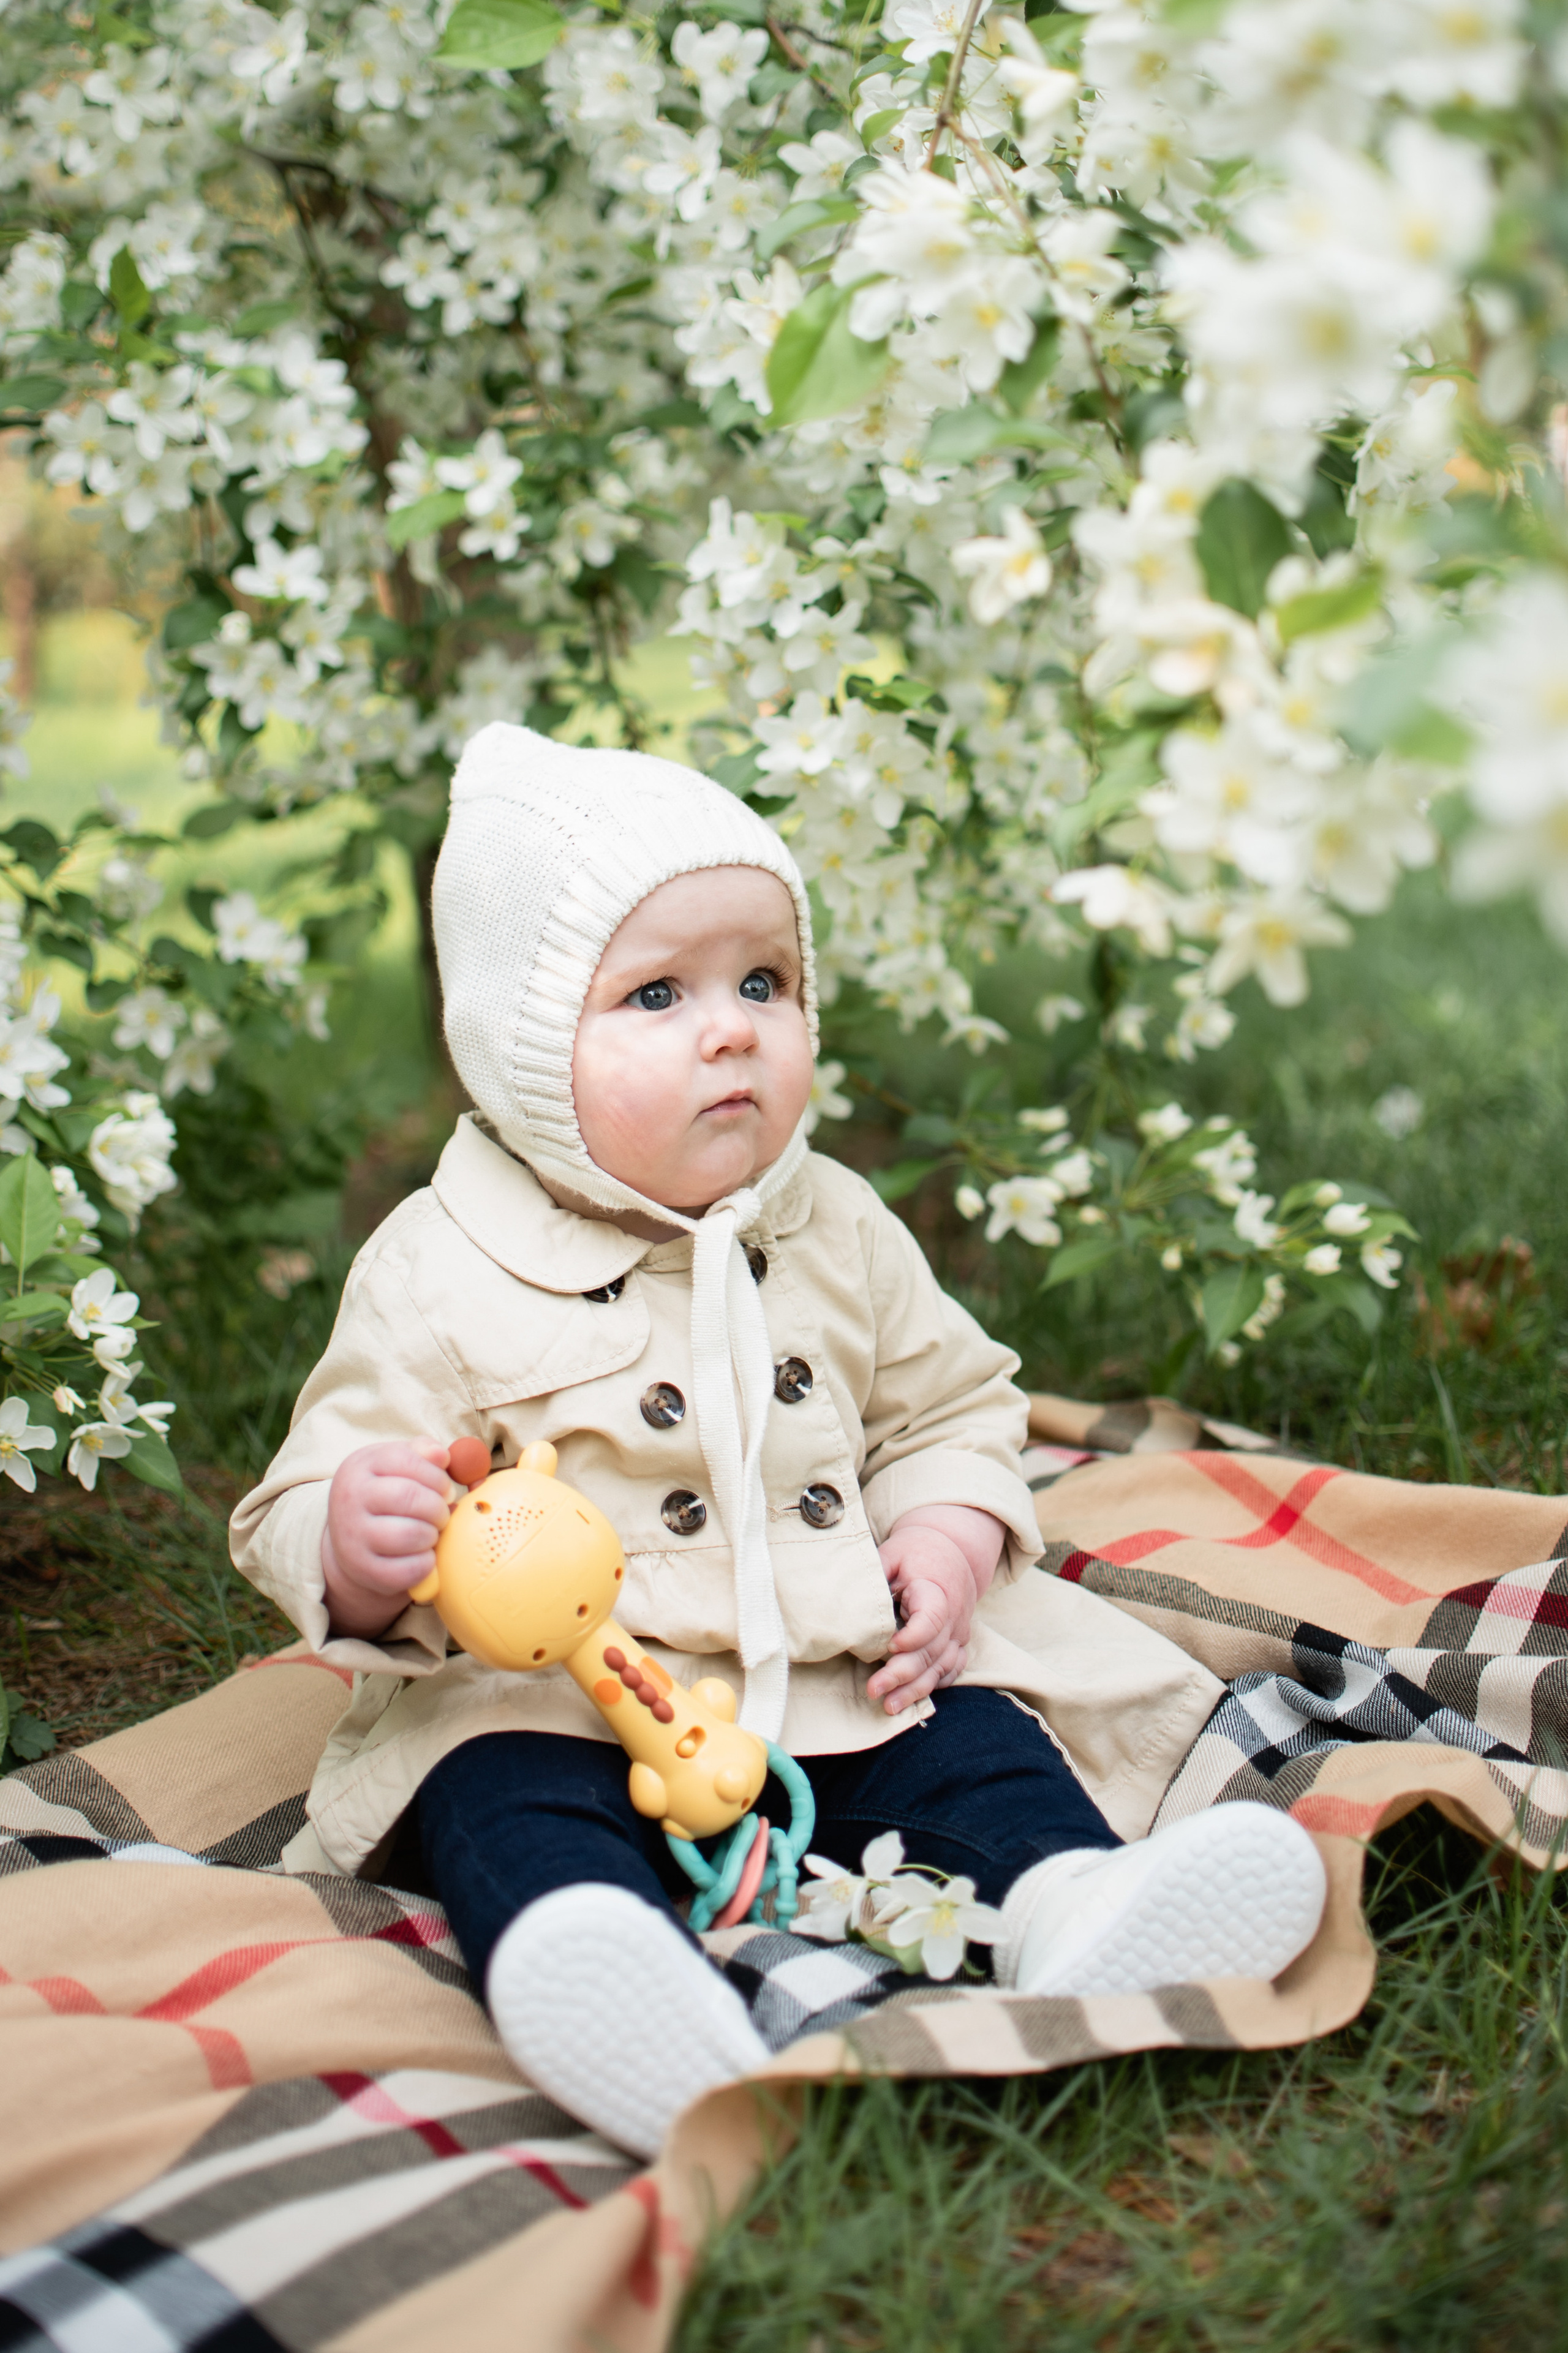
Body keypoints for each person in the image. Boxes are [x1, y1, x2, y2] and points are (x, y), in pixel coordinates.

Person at [232, 726, 1326, 2158]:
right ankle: (601, 1972)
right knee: (493, 1795)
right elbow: (302, 1491)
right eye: (656, 995)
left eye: (762, 982)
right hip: (564, 1695)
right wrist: (358, 1544)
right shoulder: (440, 1268)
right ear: (517, 1043)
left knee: (973, 1740)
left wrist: (942, 1532)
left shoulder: (832, 1223)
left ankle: (1081, 1908)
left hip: (824, 1668)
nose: (731, 1027)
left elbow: (947, 1404)